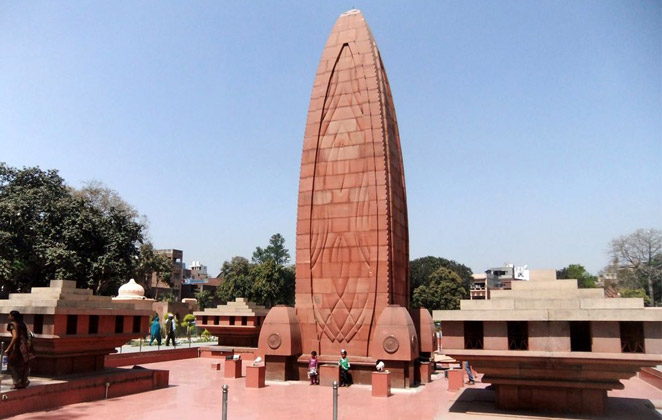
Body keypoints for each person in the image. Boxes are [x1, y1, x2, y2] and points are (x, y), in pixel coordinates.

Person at [4, 310, 32, 389]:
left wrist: (8, 348)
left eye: (9, 315)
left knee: (12, 364)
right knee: (24, 364)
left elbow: (15, 337)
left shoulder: (13, 324)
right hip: (26, 346)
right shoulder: (22, 324)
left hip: (18, 347)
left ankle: (18, 382)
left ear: (12, 316)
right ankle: (24, 381)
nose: (8, 316)